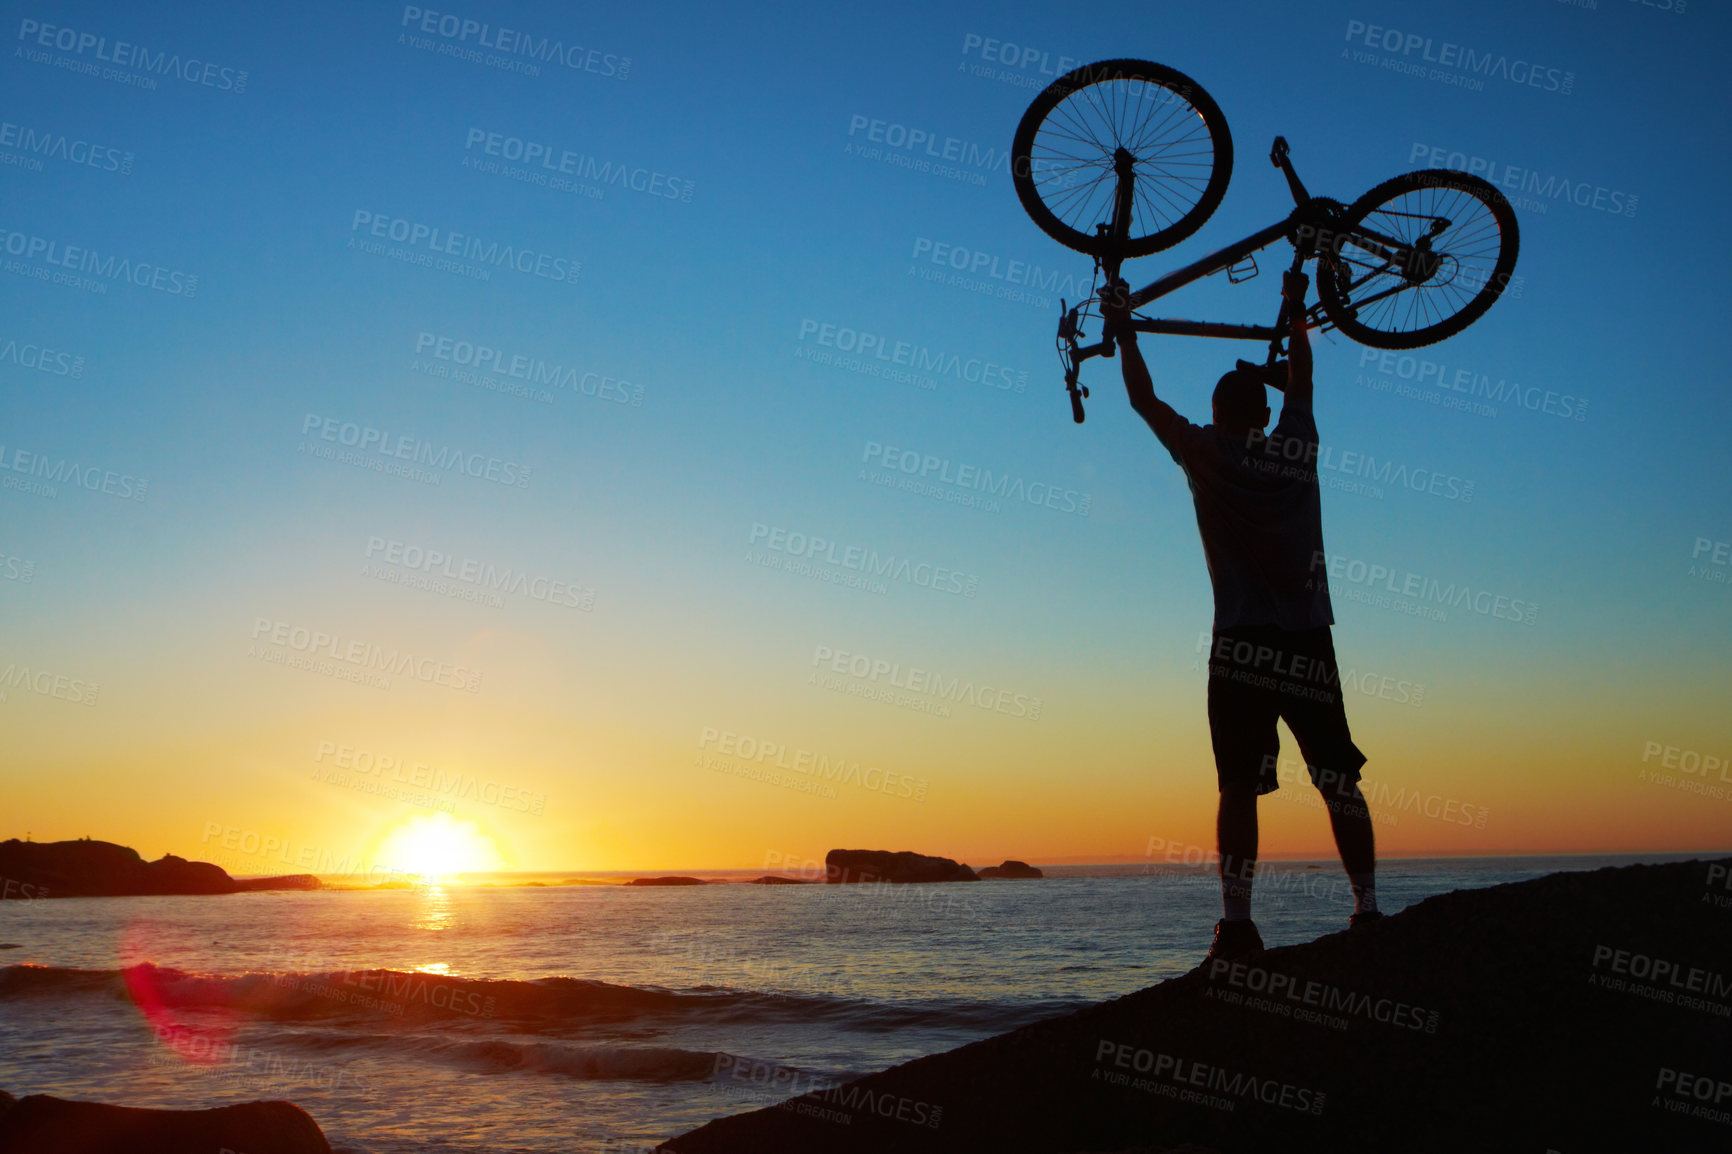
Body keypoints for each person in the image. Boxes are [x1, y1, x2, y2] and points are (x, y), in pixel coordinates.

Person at [1102, 270, 1380, 963]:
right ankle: (1369, 909)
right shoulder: (1297, 445)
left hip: (1241, 644)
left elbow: (1141, 397)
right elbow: (1306, 381)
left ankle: (1237, 924)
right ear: (1263, 410)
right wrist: (1292, 312)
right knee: (1337, 780)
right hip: (1308, 638)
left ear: (1218, 410)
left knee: (1236, 785)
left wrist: (1126, 326)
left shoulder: (1202, 452)